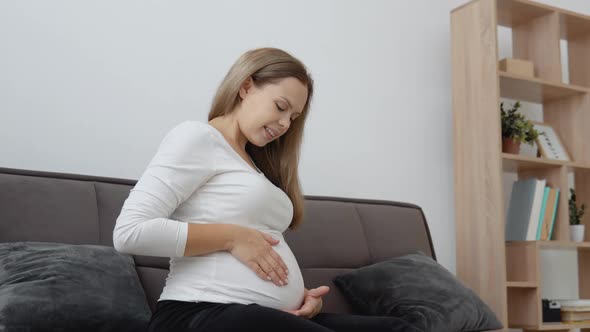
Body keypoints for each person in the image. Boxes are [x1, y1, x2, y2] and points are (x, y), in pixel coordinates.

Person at [113, 47, 420, 332]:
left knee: (398, 329)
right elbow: (130, 232)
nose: (286, 123)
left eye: (293, 117)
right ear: (245, 87)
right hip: (198, 313)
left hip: (262, 315)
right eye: (281, 106)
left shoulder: (255, 166)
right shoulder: (197, 138)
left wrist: (299, 297)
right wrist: (233, 237)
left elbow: (261, 248)